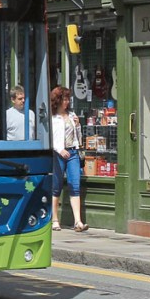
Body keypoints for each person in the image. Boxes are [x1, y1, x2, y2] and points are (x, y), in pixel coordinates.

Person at [51, 85, 88, 232]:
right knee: (56, 187)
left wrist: (78, 126)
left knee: (75, 185)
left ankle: (78, 221)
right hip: (58, 154)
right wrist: (59, 150)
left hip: (73, 153)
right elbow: (50, 138)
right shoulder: (53, 118)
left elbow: (77, 137)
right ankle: (55, 220)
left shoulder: (71, 115)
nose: (66, 102)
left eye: (68, 99)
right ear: (57, 100)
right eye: (64, 99)